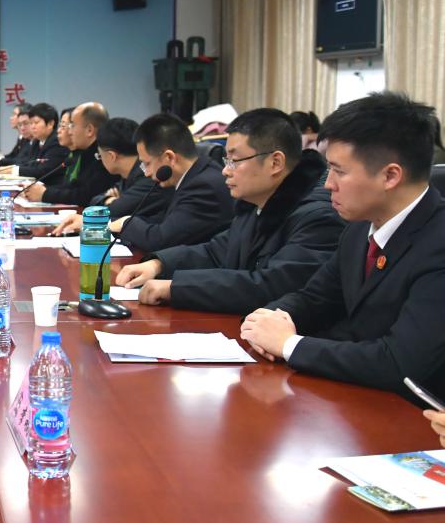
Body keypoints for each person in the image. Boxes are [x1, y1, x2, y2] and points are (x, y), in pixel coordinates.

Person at [241, 92, 445, 401]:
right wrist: (267, 320)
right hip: (354, 397)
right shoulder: (360, 227)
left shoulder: (438, 243)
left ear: (390, 176)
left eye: (339, 171)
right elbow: (315, 298)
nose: (328, 184)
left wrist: (289, 345)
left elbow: (399, 364)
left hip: (414, 415)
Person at [115, 108, 343, 315]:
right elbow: (216, 251)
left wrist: (176, 288)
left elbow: (270, 286)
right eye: (226, 160)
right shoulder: (255, 204)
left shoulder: (318, 217)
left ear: (275, 163)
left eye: (234, 160)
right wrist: (158, 264)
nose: (225, 170)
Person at [112, 113, 234, 254]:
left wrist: (125, 223)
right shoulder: (192, 176)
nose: (146, 173)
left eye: (147, 164)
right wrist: (121, 221)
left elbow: (161, 240)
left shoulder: (204, 188)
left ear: (169, 157)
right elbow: (163, 222)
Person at [48, 117, 172, 235]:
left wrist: (112, 202)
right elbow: (95, 200)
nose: (100, 160)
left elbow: (112, 210)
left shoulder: (148, 178)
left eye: (100, 156)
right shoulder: (127, 174)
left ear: (112, 156)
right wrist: (108, 199)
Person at [23, 102, 117, 205]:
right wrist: (43, 190)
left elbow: (86, 196)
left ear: (89, 130)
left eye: (72, 126)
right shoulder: (86, 152)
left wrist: (45, 194)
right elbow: (73, 186)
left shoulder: (103, 154)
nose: (69, 131)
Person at [0, 102, 68, 180]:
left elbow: (42, 171)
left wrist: (13, 170)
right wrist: (10, 169)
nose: (32, 127)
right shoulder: (37, 141)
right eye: (31, 123)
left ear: (50, 123)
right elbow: (29, 163)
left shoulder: (56, 142)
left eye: (36, 122)